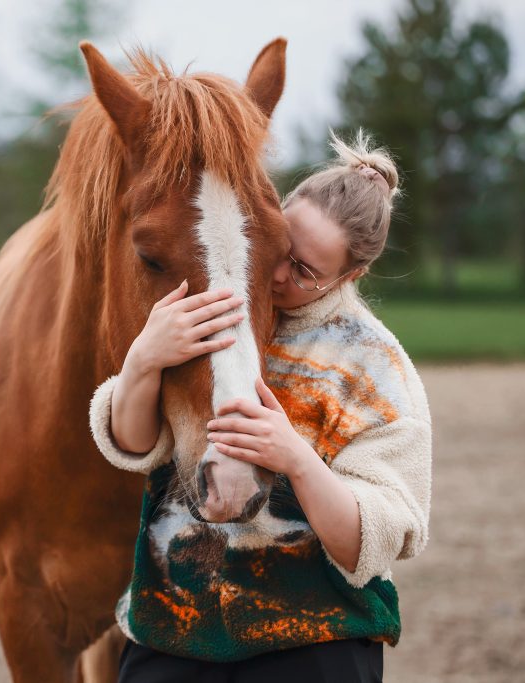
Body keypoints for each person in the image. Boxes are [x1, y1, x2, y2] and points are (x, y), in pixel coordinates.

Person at [88, 129, 432, 683]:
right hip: (177, 622)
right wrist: (143, 361)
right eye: (277, 247)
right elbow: (134, 445)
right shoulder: (216, 308)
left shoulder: (375, 368)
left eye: (303, 271)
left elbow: (375, 538)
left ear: (350, 276)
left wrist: (296, 459)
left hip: (312, 637)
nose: (276, 275)